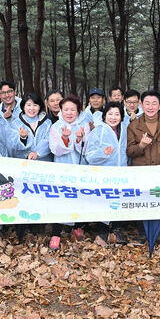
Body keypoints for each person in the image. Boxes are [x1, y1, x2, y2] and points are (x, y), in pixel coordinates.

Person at [127, 90, 160, 243]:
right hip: (141, 172)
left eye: (154, 103)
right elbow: (130, 151)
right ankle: (142, 232)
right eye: (147, 103)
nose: (150, 107)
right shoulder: (133, 126)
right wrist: (141, 146)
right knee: (142, 202)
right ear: (141, 105)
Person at [48, 94, 91, 249]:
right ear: (61, 110)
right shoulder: (56, 126)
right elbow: (55, 149)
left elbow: (87, 150)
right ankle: (56, 233)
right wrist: (65, 138)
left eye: (73, 109)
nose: (69, 113)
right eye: (66, 109)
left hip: (80, 167)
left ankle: (77, 226)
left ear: (78, 111)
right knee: (62, 199)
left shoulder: (84, 126)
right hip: (62, 168)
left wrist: (79, 139)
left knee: (79, 197)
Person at [85, 101, 128, 244]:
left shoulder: (124, 129)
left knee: (119, 202)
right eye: (110, 114)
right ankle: (102, 231)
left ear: (121, 116)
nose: (113, 117)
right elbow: (89, 156)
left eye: (117, 114)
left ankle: (117, 230)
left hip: (121, 174)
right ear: (104, 115)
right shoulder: (99, 130)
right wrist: (103, 153)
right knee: (104, 202)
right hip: (104, 175)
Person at [9, 93, 52, 161]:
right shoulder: (16, 123)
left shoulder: (47, 123)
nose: (32, 108)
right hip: (23, 162)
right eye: (29, 105)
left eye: (35, 105)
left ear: (39, 107)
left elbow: (48, 141)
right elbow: (13, 144)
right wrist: (23, 138)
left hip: (44, 162)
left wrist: (37, 153)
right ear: (23, 107)